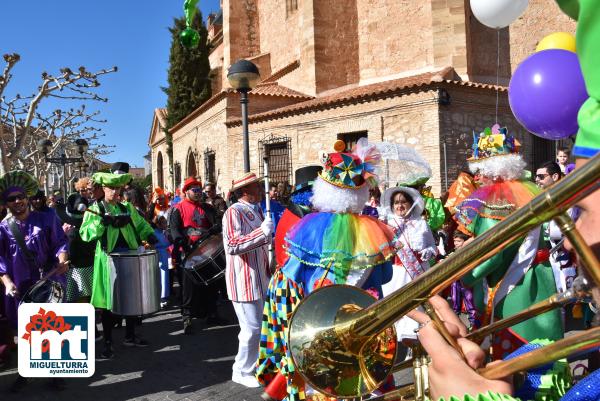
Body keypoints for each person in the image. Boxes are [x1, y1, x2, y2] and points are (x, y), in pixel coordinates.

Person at [256, 139, 396, 400]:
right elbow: (384, 276)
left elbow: (291, 274)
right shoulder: (373, 230)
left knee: (321, 383)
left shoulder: (311, 228)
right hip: (360, 320)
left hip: (318, 321)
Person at [455, 125, 563, 359]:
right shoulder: (526, 193)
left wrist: (464, 275)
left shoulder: (495, 203)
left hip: (516, 291)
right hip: (539, 281)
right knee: (544, 355)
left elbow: (492, 253)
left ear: (492, 172)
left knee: (516, 363)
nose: (477, 178)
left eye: (480, 171)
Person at [0, 171, 69, 392]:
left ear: (27, 197)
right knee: (24, 331)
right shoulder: (3, 227)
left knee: (51, 327)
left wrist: (62, 258)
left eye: (20, 197)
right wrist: (7, 282)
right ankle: (26, 371)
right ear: (6, 203)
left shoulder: (47, 218)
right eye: (12, 199)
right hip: (20, 286)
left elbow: (60, 242)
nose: (17, 201)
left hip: (49, 280)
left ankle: (55, 372)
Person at [80, 171, 157, 358]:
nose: (115, 192)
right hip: (108, 260)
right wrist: (100, 222)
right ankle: (108, 343)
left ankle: (130, 336)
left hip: (130, 257)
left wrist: (150, 234)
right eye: (111, 188)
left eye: (118, 188)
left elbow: (140, 224)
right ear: (103, 189)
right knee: (108, 304)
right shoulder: (96, 209)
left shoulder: (127, 207)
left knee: (132, 298)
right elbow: (85, 234)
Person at [222, 172, 273, 388]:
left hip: (260, 277)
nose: (261, 190)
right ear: (245, 191)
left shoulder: (257, 210)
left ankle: (253, 366)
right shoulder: (233, 212)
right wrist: (261, 233)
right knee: (250, 329)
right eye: (256, 187)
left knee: (259, 328)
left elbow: (262, 243)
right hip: (243, 280)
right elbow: (233, 245)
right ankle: (240, 370)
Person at [380, 186, 437, 340]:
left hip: (419, 271)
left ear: (410, 203)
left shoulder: (421, 223)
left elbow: (433, 246)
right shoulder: (387, 224)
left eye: (403, 202)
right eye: (396, 203)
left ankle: (418, 338)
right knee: (396, 307)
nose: (400, 206)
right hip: (396, 272)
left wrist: (429, 252)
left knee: (418, 305)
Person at [169, 176, 221, 334]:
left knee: (212, 284)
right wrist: (182, 242)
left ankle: (212, 313)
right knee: (188, 288)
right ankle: (187, 317)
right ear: (186, 192)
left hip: (207, 251)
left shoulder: (207, 208)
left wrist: (214, 230)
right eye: (194, 190)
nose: (198, 193)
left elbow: (217, 224)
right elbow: (174, 230)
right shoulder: (178, 208)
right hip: (188, 253)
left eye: (199, 190)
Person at [56, 194, 96, 303]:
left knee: (80, 302)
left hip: (79, 268)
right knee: (80, 301)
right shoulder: (90, 228)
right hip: (81, 268)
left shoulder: (73, 233)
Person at [152, 215, 171, 308]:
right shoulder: (155, 233)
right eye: (164, 223)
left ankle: (164, 296)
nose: (166, 224)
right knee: (161, 277)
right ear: (158, 224)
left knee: (165, 276)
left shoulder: (163, 233)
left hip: (165, 255)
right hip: (160, 256)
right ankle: (161, 298)